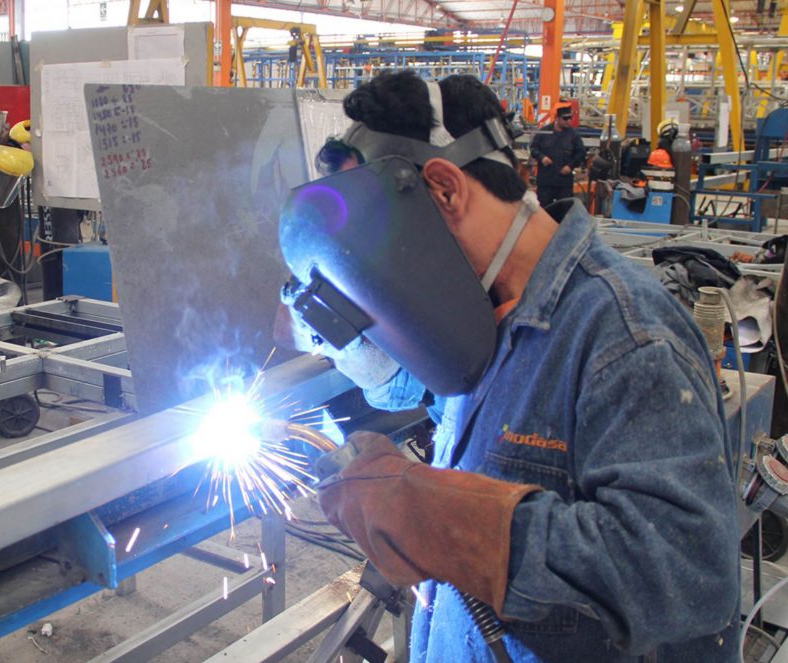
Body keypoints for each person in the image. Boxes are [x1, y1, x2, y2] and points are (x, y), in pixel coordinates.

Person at [278, 71, 739, 661]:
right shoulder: (480, 313)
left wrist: (446, 518)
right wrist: (338, 331)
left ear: (444, 190)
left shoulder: (626, 335)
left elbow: (688, 575)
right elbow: (410, 389)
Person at [529, 102, 586, 208]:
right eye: (565, 118)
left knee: (564, 211)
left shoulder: (573, 135)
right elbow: (533, 148)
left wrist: (570, 166)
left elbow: (581, 152)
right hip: (546, 182)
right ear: (557, 118)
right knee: (545, 212)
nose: (568, 121)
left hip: (564, 183)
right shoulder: (544, 133)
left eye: (570, 118)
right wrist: (542, 158)